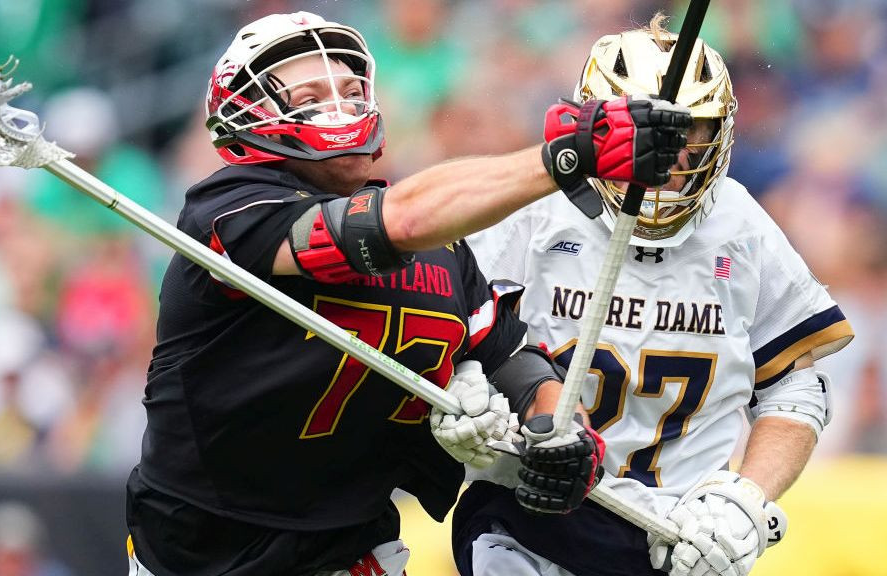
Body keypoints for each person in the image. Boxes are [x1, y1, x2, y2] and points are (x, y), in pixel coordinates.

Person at [123, 10, 691, 576]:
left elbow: (512, 359)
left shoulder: (444, 249)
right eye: (312, 93)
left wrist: (556, 432)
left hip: (350, 550)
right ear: (248, 112)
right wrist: (568, 156)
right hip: (197, 548)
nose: (340, 105)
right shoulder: (228, 210)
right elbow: (384, 226)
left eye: (350, 89)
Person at [455, 14, 855, 576]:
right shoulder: (532, 214)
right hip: (531, 521)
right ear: (593, 125)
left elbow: (795, 384)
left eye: (690, 134)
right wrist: (469, 395)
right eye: (640, 132)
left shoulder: (739, 225)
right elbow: (453, 342)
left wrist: (746, 498)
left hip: (681, 543)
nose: (667, 159)